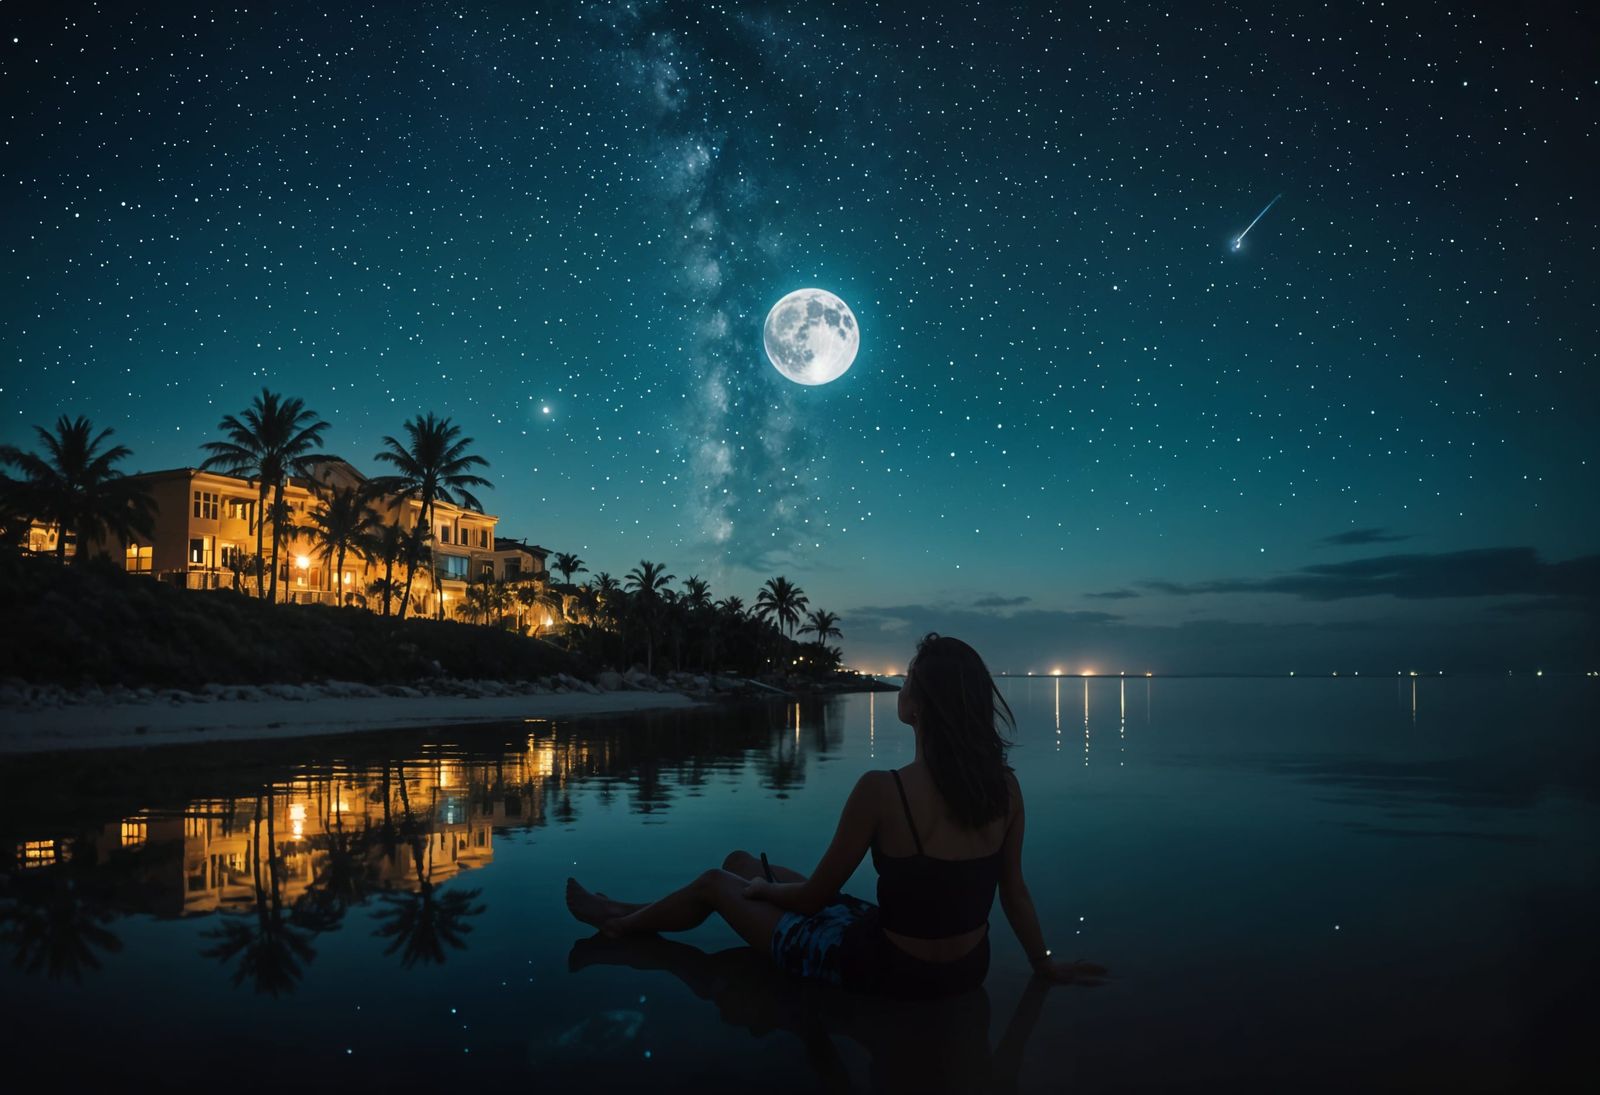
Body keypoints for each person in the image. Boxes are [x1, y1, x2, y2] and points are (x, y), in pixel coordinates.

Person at [566, 632, 1106, 997]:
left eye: (910, 679)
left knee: (718, 880)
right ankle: (629, 907)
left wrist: (761, 894)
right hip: (966, 971)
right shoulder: (1005, 789)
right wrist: (1044, 964)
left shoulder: (881, 790)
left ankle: (618, 924)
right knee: (740, 862)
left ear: (921, 705)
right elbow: (1013, 891)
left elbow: (811, 899)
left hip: (885, 969)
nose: (902, 685)